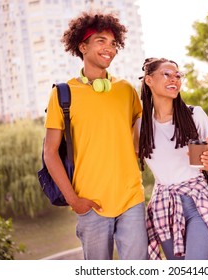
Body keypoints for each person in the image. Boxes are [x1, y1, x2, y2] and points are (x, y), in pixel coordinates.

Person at [43, 12, 148, 260]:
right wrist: (74, 200)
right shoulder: (63, 94)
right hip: (90, 204)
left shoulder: (126, 90)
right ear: (82, 46)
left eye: (113, 44)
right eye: (101, 41)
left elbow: (141, 141)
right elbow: (50, 153)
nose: (109, 49)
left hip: (131, 197)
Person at [135, 57, 208, 260]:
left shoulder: (194, 115)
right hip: (164, 205)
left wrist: (207, 162)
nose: (175, 79)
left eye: (178, 75)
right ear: (149, 80)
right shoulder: (140, 126)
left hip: (197, 201)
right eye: (167, 74)